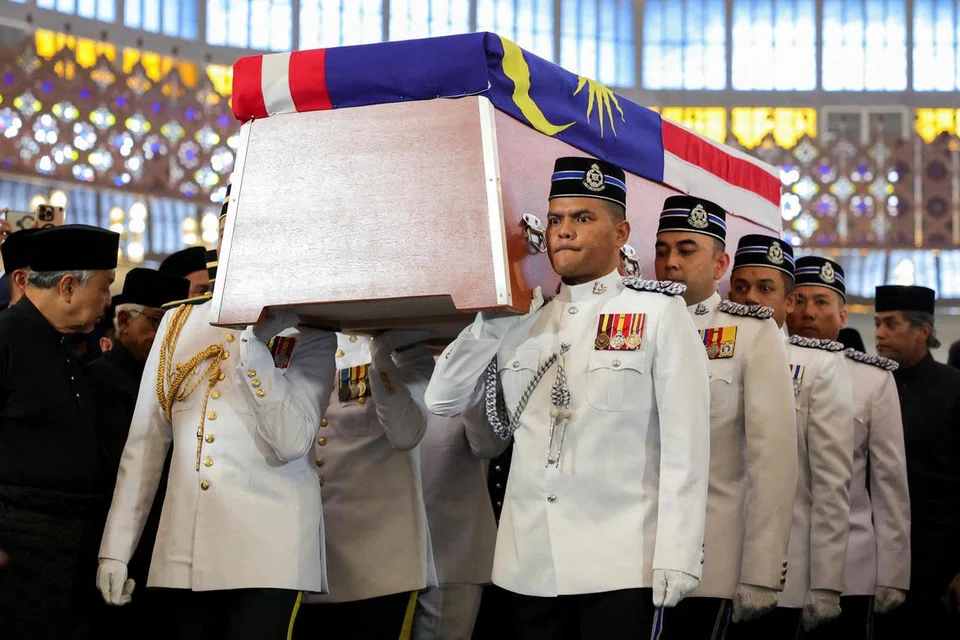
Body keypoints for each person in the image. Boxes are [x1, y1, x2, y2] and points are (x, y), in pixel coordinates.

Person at [425, 157, 711, 639]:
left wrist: (679, 554)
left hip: (622, 563)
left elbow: (687, 448)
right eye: (556, 220)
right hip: (529, 563)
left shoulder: (658, 313)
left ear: (620, 234)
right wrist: (490, 320)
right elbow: (443, 400)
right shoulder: (521, 320)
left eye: (583, 218)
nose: (564, 231)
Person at [96, 192, 339, 640]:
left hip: (270, 552)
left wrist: (255, 348)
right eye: (228, 235)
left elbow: (291, 441)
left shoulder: (312, 330)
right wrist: (116, 548)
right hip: (185, 547)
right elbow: (146, 442)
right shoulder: (178, 322)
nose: (236, 247)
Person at [653, 200, 798, 638]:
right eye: (662, 250)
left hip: (710, 556)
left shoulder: (751, 332)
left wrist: (761, 569)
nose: (671, 262)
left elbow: (772, 462)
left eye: (686, 249)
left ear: (720, 263)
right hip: (631, 555)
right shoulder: (635, 323)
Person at [724, 243, 855, 638]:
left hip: (785, 572)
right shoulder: (708, 346)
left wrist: (826, 583)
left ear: (788, 300)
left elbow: (832, 484)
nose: (751, 299)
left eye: (765, 288)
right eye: (742, 287)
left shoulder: (816, 364)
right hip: (711, 562)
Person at [0, 224, 120, 640]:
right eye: (104, 288)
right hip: (17, 551)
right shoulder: (5, 337)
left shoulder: (63, 344)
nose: (108, 300)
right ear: (68, 286)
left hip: (68, 548)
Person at [786, 255, 910, 639]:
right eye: (800, 300)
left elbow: (889, 483)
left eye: (822, 302)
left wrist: (894, 571)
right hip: (779, 563)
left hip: (850, 567)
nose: (808, 312)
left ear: (842, 315)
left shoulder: (872, 380)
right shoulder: (765, 366)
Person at [294, 330, 436, 640]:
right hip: (307, 558)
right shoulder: (294, 343)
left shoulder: (409, 353)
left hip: (379, 564)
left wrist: (381, 352)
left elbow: (405, 434)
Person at [872, 285, 960, 639]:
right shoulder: (869, 384)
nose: (878, 333)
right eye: (878, 323)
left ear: (923, 331)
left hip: (937, 562)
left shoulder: (954, 389)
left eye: (890, 324)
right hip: (873, 558)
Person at [414, 390, 506, 640]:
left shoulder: (474, 366)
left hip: (450, 549)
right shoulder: (363, 358)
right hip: (379, 549)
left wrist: (467, 368)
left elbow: (489, 444)